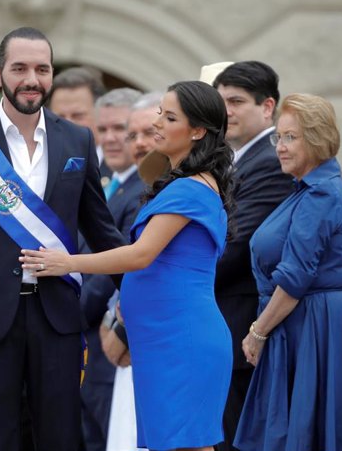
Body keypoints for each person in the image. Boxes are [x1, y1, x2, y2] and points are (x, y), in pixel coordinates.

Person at [0, 27, 125, 451]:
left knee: (61, 437)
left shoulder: (77, 139)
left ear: (51, 75)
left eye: (42, 68)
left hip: (57, 316)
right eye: (20, 68)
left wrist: (141, 287)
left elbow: (101, 230)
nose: (31, 78)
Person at [21, 80, 234, 451]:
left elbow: (140, 255)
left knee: (189, 446)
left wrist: (66, 262)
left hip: (181, 338)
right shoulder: (184, 184)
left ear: (197, 131)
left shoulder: (189, 189)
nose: (156, 125)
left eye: (169, 118)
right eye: (159, 114)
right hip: (164, 337)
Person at [234, 93, 342, 451]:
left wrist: (257, 332)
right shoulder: (305, 191)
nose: (280, 146)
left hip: (313, 326)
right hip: (300, 324)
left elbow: (295, 278)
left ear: (317, 138)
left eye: (290, 137)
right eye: (278, 137)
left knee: (306, 434)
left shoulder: (320, 194)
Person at [211, 60, 293, 451]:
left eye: (236, 100)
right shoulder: (238, 158)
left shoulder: (271, 161)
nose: (225, 110)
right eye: (220, 100)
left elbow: (236, 244)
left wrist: (178, 280)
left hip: (241, 322)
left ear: (267, 107)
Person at [79, 87, 142, 451]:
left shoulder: (143, 189)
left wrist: (69, 312)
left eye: (121, 128)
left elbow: (114, 266)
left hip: (110, 344)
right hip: (85, 348)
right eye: (102, 131)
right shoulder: (98, 179)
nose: (111, 138)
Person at [102, 91, 163, 451]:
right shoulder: (148, 191)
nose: (139, 144)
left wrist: (68, 264)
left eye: (149, 133)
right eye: (133, 135)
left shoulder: (182, 192)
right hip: (133, 335)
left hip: (161, 337)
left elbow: (141, 261)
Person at [49, 66, 112, 185]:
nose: (68, 124)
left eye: (78, 116)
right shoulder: (41, 167)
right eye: (60, 117)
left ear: (100, 115)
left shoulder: (118, 171)